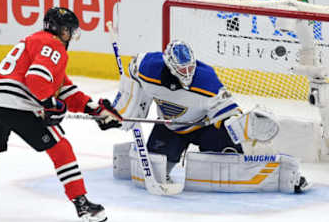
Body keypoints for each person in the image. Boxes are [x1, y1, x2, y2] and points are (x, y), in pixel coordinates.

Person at [0, 7, 122, 222]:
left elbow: (63, 88)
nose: (70, 36)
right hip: (19, 106)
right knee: (61, 148)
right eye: (69, 31)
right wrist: (49, 103)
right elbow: (37, 79)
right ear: (60, 31)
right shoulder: (53, 45)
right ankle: (82, 205)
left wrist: (95, 110)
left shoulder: (35, 41)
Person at [114, 40, 310, 193]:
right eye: (182, 70)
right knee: (153, 169)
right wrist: (124, 106)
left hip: (205, 127)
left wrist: (242, 124)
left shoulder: (206, 79)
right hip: (170, 126)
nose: (188, 73)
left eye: (190, 67)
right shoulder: (149, 67)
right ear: (170, 66)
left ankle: (281, 176)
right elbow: (132, 70)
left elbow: (228, 114)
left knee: (230, 164)